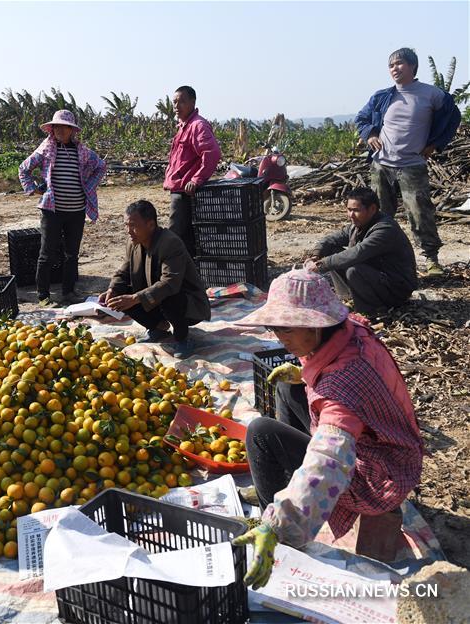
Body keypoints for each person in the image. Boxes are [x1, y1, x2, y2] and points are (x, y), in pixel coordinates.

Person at [232, 269, 423, 588]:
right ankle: (286, 486)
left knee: (261, 433)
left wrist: (282, 522)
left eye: (286, 328)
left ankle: (274, 534)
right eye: (273, 328)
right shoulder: (351, 332)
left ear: (315, 325)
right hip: (387, 445)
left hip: (378, 475)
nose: (279, 338)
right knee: (288, 387)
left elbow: (329, 459)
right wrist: (304, 375)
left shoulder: (342, 384)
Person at [355, 47, 462, 277]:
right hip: (382, 164)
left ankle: (432, 259)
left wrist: (435, 144)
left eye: (399, 63)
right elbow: (361, 118)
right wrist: (370, 134)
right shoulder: (382, 96)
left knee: (419, 212)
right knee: (378, 214)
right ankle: (379, 258)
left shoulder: (431, 94)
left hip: (412, 164)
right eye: (391, 65)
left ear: (412, 66)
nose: (394, 68)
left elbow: (453, 116)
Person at [18, 110, 106, 306]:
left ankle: (68, 292)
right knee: (47, 253)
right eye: (56, 126)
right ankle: (43, 296)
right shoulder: (46, 150)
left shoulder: (82, 152)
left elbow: (101, 166)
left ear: (72, 130)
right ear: (52, 129)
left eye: (64, 127)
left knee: (71, 254)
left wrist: (89, 186)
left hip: (76, 211)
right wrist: (32, 189)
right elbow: (24, 169)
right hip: (52, 211)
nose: (60, 130)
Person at [98, 200, 210, 348]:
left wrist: (135, 298)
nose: (128, 231)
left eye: (133, 226)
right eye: (126, 225)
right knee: (119, 295)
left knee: (169, 296)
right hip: (155, 300)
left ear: (151, 225)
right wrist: (112, 290)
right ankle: (157, 327)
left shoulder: (170, 243)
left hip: (187, 303)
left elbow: (170, 283)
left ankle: (182, 338)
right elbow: (124, 272)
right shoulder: (133, 242)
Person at [305, 187, 417, 314]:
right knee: (331, 250)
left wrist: (321, 265)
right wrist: (316, 255)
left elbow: (357, 253)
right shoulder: (357, 225)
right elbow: (330, 240)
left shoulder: (385, 229)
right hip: (376, 277)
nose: (351, 215)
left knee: (354, 270)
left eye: (356, 210)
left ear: (372, 209)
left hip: (396, 288)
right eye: (349, 210)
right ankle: (348, 296)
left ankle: (370, 310)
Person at [162, 86, 222, 258]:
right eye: (174, 102)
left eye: (182, 101)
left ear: (193, 102)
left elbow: (212, 153)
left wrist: (196, 179)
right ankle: (190, 269)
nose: (176, 106)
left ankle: (172, 268)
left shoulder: (197, 125)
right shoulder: (184, 126)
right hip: (179, 188)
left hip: (185, 191)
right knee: (187, 235)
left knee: (175, 233)